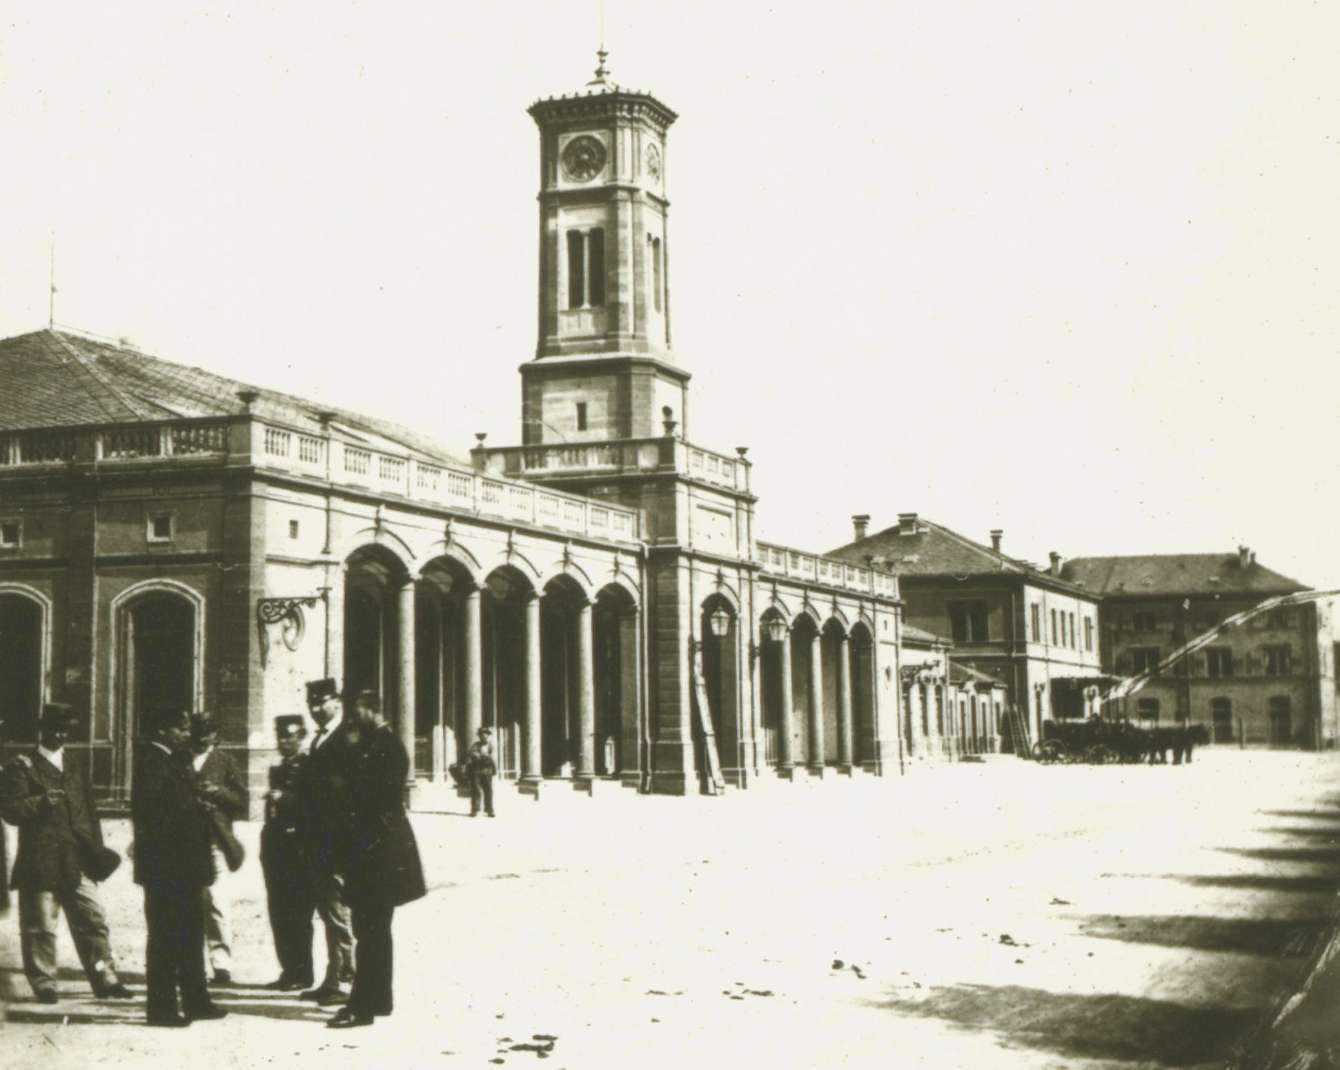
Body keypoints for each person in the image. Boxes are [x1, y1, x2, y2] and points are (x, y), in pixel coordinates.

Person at [0, 703, 130, 1004]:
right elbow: (11, 811)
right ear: (41, 729)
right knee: (40, 927)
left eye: (65, 730)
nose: (59, 735)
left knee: (94, 920)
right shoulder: (22, 766)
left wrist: (96, 851)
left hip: (78, 859)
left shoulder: (74, 764)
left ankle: (105, 979)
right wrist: (41, 803)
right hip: (41, 859)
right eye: (54, 729)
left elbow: (90, 812)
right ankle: (45, 984)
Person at [327, 690, 425, 1029]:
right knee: (377, 931)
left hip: (376, 855)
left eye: (356, 713)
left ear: (371, 710)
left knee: (368, 931)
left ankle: (361, 1007)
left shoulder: (384, 748)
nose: (352, 721)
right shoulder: (380, 745)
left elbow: (372, 804)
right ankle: (380, 1000)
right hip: (379, 853)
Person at [132, 709, 227, 1027]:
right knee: (164, 938)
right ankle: (161, 1009)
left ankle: (197, 1001)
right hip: (166, 869)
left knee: (189, 936)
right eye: (182, 728)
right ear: (164, 729)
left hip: (182, 868)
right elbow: (156, 818)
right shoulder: (153, 762)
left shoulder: (173, 760)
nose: (188, 734)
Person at [296, 678, 355, 1005]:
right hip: (317, 841)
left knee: (338, 913)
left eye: (321, 703)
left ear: (337, 701)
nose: (316, 709)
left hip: (336, 843)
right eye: (312, 704)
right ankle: (332, 977)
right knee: (326, 911)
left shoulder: (345, 737)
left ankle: (345, 979)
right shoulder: (320, 739)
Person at [190, 714, 248, 985]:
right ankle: (190, 964)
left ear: (215, 735)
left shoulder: (226, 762)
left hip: (215, 840)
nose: (202, 738)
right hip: (187, 841)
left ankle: (221, 964)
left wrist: (217, 792)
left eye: (207, 733)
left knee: (216, 902)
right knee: (188, 902)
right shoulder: (180, 759)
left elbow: (241, 802)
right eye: (197, 732)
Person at [261, 715, 314, 991]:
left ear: (301, 736)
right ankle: (288, 969)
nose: (284, 741)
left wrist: (284, 799)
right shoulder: (278, 769)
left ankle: (302, 972)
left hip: (297, 849)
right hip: (276, 848)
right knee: (279, 910)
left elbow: (312, 804)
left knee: (298, 912)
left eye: (290, 736)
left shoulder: (308, 767)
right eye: (281, 736)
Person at [468, 726, 497, 818]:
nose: (484, 736)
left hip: (487, 771)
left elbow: (492, 758)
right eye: (482, 735)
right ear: (480, 736)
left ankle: (489, 810)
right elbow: (472, 754)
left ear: (488, 736)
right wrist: (480, 756)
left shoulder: (490, 745)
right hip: (477, 771)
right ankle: (475, 810)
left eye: (486, 734)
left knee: (488, 791)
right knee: (476, 790)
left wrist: (493, 768)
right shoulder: (475, 745)